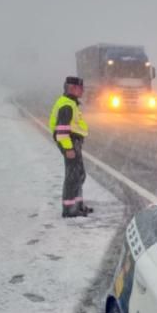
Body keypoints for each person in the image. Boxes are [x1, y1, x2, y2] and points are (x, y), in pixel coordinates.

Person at [49, 76, 93, 217]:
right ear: (72, 88)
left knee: (79, 175)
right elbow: (62, 131)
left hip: (73, 142)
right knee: (72, 177)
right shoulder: (66, 105)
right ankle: (69, 209)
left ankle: (78, 205)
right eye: (81, 88)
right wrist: (68, 148)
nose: (83, 91)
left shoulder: (71, 103)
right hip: (70, 142)